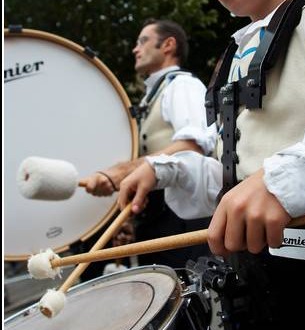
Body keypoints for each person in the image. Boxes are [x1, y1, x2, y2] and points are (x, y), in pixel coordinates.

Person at [115, 0, 305, 329]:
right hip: (268, 294)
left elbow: (283, 176)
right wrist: (169, 169)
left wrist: (298, 171)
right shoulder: (237, 57)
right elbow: (242, 182)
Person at [82, 18, 217, 269]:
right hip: (158, 222)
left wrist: (121, 172)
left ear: (168, 45)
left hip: (182, 220)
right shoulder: (153, 95)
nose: (136, 49)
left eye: (142, 41)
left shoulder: (182, 86)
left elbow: (193, 146)